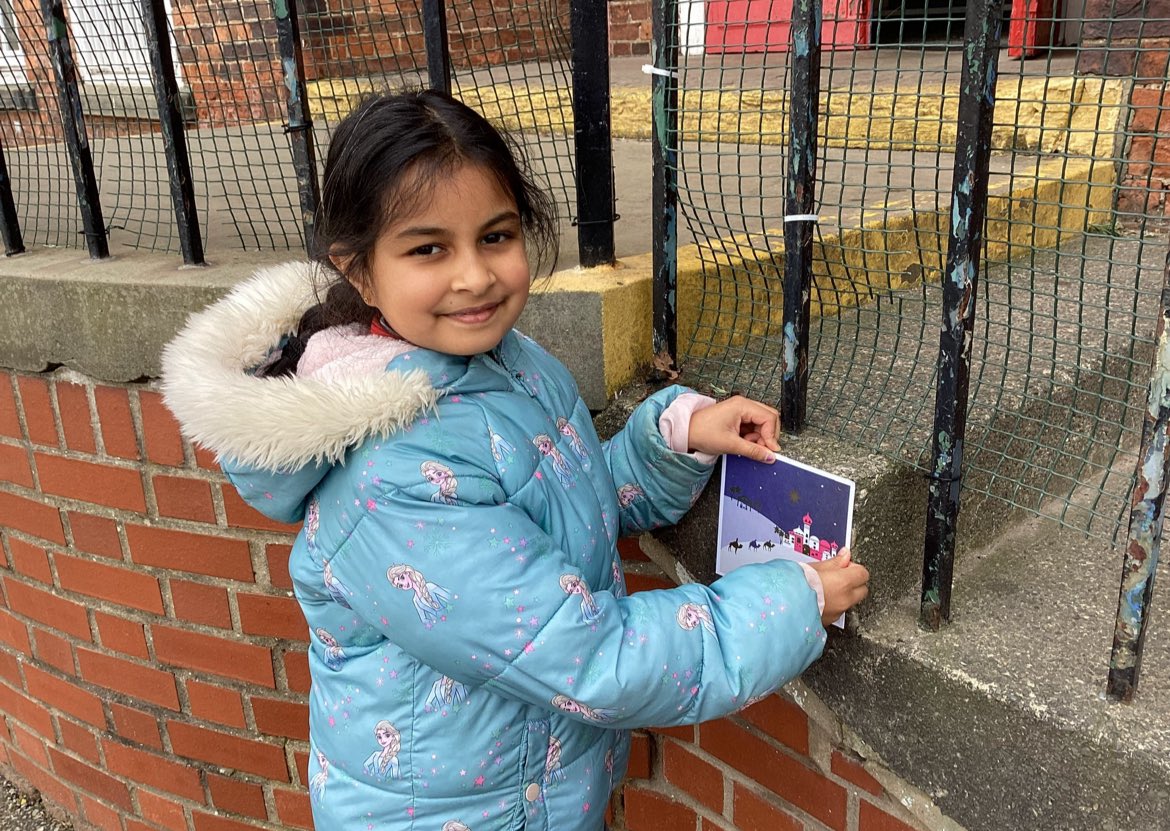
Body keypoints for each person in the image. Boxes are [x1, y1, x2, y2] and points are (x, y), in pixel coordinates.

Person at [161, 89, 869, 831]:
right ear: (360, 270)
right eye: (428, 248)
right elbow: (587, 656)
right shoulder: (389, 479)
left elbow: (559, 505)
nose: (475, 276)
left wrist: (675, 436)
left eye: (496, 236)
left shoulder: (506, 362)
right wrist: (787, 601)